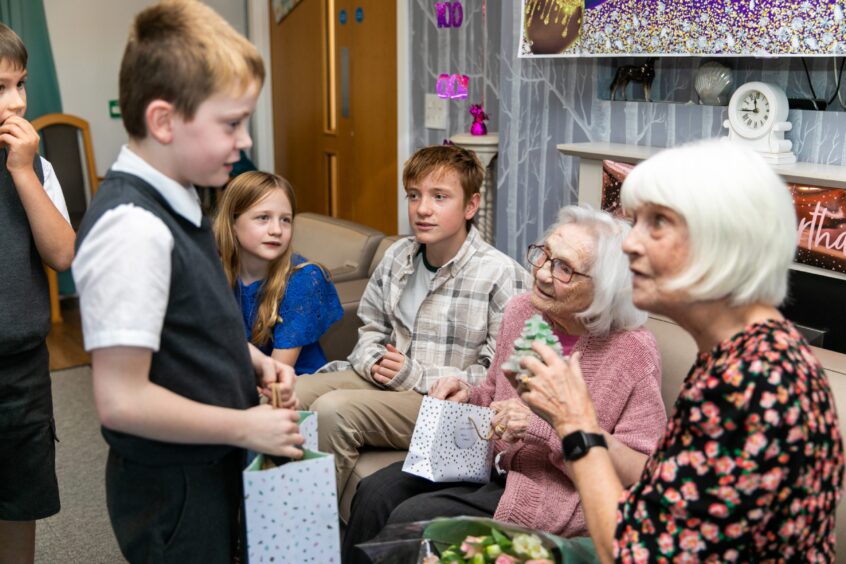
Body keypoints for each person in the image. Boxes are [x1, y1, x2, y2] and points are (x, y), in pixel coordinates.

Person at [515, 139, 845, 561]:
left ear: (723, 242)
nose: (630, 244)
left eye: (657, 223)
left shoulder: (757, 383)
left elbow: (635, 554)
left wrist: (574, 423)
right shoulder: (737, 358)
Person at [71, 2, 303, 562]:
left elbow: (190, 319)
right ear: (164, 121)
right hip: (173, 487)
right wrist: (246, 427)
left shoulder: (185, 199)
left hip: (207, 461)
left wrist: (253, 359)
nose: (244, 141)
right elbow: (121, 400)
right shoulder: (133, 228)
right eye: (231, 123)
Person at [343, 205, 667, 563]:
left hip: (549, 492)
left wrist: (540, 428)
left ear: (605, 288)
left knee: (413, 518)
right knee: (374, 493)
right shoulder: (521, 311)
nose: (542, 273)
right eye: (544, 254)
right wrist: (468, 396)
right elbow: (494, 392)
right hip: (487, 464)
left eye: (565, 269)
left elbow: (643, 469)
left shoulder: (632, 351)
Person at [296, 144, 532, 491]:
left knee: (334, 410)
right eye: (414, 195)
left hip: (446, 405)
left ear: (471, 205)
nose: (422, 209)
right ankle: (274, 522)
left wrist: (416, 374)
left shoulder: (501, 275)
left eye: (440, 197)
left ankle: (313, 534)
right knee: (294, 392)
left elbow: (500, 378)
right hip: (385, 383)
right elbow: (372, 326)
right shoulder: (398, 256)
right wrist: (374, 359)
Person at [0, 22, 75, 564]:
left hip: (21, 366)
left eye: (20, 85)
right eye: (1, 87)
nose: (17, 102)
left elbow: (62, 254)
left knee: (18, 499)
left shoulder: (36, 166)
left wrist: (24, 173)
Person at [213, 170, 343, 374]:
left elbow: (277, 372)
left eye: (285, 220)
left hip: (295, 386)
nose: (276, 230)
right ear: (233, 224)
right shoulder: (214, 272)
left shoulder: (302, 280)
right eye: (263, 218)